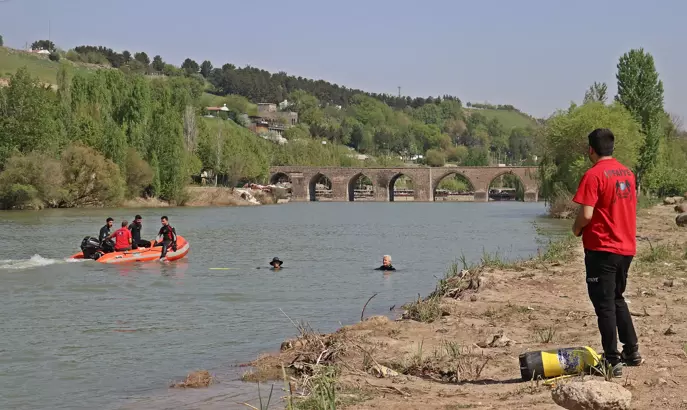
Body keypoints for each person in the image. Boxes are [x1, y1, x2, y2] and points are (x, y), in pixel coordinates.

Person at [571, 128, 642, 377]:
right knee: (617, 297)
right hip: (626, 247)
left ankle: (611, 360)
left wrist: (577, 228)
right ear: (612, 147)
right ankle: (631, 350)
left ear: (591, 149)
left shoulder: (593, 175)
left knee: (604, 305)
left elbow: (586, 214)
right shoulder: (628, 174)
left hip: (602, 248)